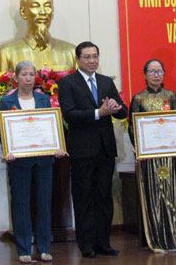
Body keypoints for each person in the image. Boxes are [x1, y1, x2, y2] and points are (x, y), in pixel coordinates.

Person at [57, 41, 127, 258]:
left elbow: (123, 112)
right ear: (77, 59)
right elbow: (70, 114)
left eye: (95, 56)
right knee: (84, 197)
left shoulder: (106, 81)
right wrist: (99, 112)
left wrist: (115, 109)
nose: (92, 61)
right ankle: (86, 245)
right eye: (87, 57)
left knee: (104, 197)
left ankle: (103, 243)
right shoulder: (68, 83)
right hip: (82, 150)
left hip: (105, 150)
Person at [0, 60, 66, 263]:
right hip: (19, 161)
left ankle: (44, 247)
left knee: (44, 203)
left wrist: (57, 146)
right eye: (24, 75)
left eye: (31, 74)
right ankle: (24, 249)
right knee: (21, 204)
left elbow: (51, 126)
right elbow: (4, 131)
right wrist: (7, 151)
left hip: (44, 161)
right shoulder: (6, 101)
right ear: (16, 77)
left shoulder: (44, 99)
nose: (28, 78)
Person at [128, 59, 176, 252]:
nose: (156, 75)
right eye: (152, 71)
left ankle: (173, 237)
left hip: (169, 155)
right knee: (153, 194)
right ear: (144, 75)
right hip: (149, 157)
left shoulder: (171, 96)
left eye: (159, 71)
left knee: (171, 194)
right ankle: (154, 237)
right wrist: (139, 147)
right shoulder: (138, 98)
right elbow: (132, 127)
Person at [0, 0, 76, 74]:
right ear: (23, 12)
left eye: (47, 6)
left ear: (52, 12)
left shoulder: (72, 52)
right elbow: (0, 85)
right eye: (35, 6)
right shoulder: (6, 53)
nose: (43, 12)